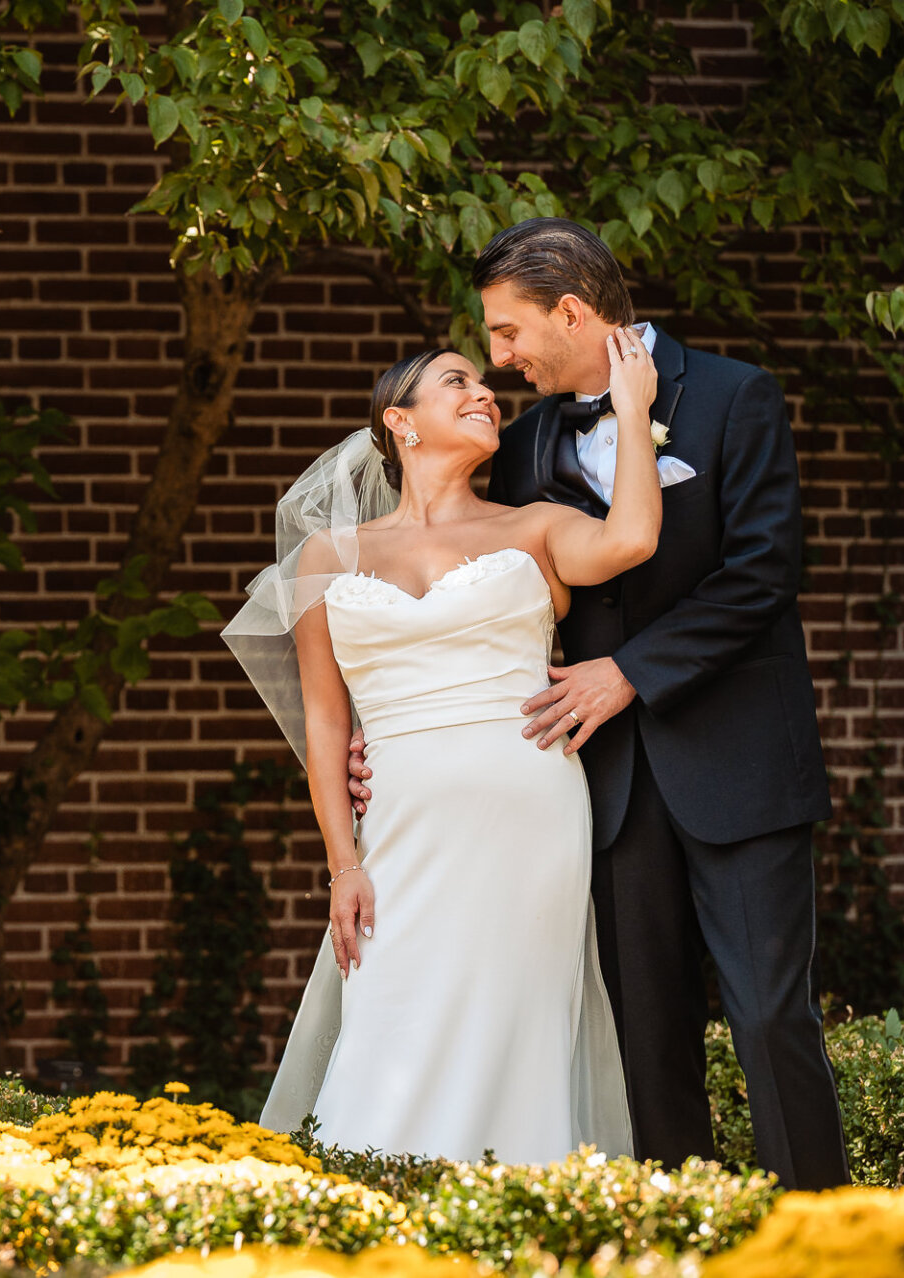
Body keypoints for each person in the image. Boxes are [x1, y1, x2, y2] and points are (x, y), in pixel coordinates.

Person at [347, 218, 851, 1189]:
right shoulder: (527, 439)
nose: (498, 360)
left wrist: (632, 671)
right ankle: (678, 1234)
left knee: (769, 1014)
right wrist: (392, 721)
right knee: (643, 1031)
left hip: (739, 763)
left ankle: (823, 1237)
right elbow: (476, 587)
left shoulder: (736, 397)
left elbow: (764, 572)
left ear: (570, 312)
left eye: (505, 333)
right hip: (599, 786)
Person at [224, 323, 661, 1162]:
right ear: (401, 420)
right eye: (458, 382)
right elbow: (326, 720)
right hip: (399, 832)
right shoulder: (329, 553)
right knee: (389, 1021)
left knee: (515, 1028)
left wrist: (634, 410)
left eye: (486, 385)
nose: (485, 393)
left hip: (529, 816)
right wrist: (341, 861)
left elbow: (632, 539)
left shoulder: (535, 527)